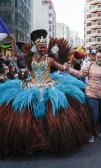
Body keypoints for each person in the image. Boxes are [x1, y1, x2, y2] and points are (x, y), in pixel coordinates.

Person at [0, 29, 95, 159]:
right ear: (37, 48)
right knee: (25, 110)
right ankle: (28, 142)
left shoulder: (50, 60)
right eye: (41, 48)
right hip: (31, 85)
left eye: (45, 47)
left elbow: (61, 67)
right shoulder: (31, 58)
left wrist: (70, 69)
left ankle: (50, 141)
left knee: (52, 111)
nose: (43, 50)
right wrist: (13, 41)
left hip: (48, 85)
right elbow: (16, 53)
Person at [65, 49, 101, 142]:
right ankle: (91, 133)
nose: (100, 59)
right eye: (98, 57)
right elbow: (80, 74)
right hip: (92, 94)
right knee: (94, 115)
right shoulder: (89, 65)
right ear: (95, 57)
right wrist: (69, 69)